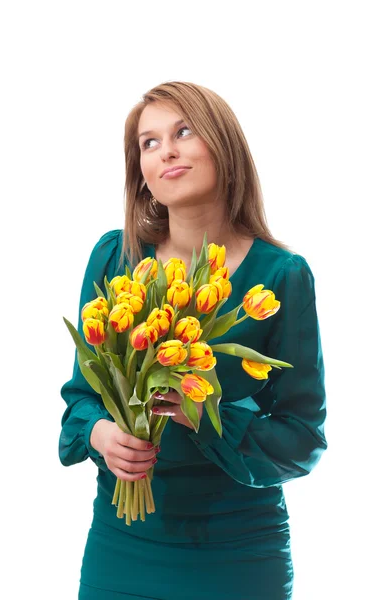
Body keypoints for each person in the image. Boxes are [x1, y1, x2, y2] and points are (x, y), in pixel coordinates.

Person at [59, 81, 328, 600]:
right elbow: (79, 400)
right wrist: (100, 436)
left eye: (184, 131)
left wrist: (206, 413)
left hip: (240, 550)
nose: (168, 151)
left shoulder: (282, 275)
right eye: (149, 142)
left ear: (223, 144)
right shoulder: (116, 257)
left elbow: (303, 439)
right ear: (140, 172)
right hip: (123, 545)